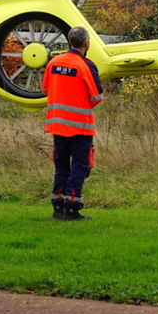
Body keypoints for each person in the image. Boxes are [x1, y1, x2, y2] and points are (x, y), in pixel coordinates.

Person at [42, 26, 103, 221]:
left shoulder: (53, 63)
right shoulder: (86, 65)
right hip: (81, 126)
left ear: (70, 42)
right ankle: (72, 206)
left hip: (58, 125)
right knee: (80, 165)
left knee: (61, 165)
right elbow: (96, 97)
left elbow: (45, 90)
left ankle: (58, 207)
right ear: (87, 43)